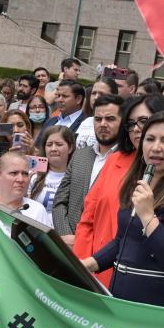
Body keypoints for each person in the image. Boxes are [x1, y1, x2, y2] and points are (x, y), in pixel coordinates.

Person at [73, 94, 164, 307]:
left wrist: (148, 216)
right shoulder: (137, 182)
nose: (156, 147)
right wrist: (89, 264)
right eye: (150, 139)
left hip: (156, 305)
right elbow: (122, 241)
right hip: (120, 297)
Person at [52, 95, 124, 246]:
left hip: (102, 249)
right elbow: (60, 201)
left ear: (122, 122)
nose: (103, 124)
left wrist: (82, 240)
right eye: (98, 119)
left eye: (110, 119)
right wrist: (67, 235)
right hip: (69, 245)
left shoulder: (129, 162)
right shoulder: (80, 155)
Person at [29, 125, 75, 214]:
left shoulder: (77, 178)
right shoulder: (33, 174)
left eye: (59, 144)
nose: (53, 149)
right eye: (49, 145)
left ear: (70, 148)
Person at [37, 79, 86, 145]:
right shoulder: (50, 121)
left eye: (64, 96)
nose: (59, 100)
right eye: (58, 96)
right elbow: (38, 147)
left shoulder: (86, 124)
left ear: (78, 99)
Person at [74, 77, 118, 149]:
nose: (96, 97)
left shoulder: (117, 124)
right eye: (94, 93)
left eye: (102, 93)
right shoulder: (86, 121)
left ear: (113, 96)